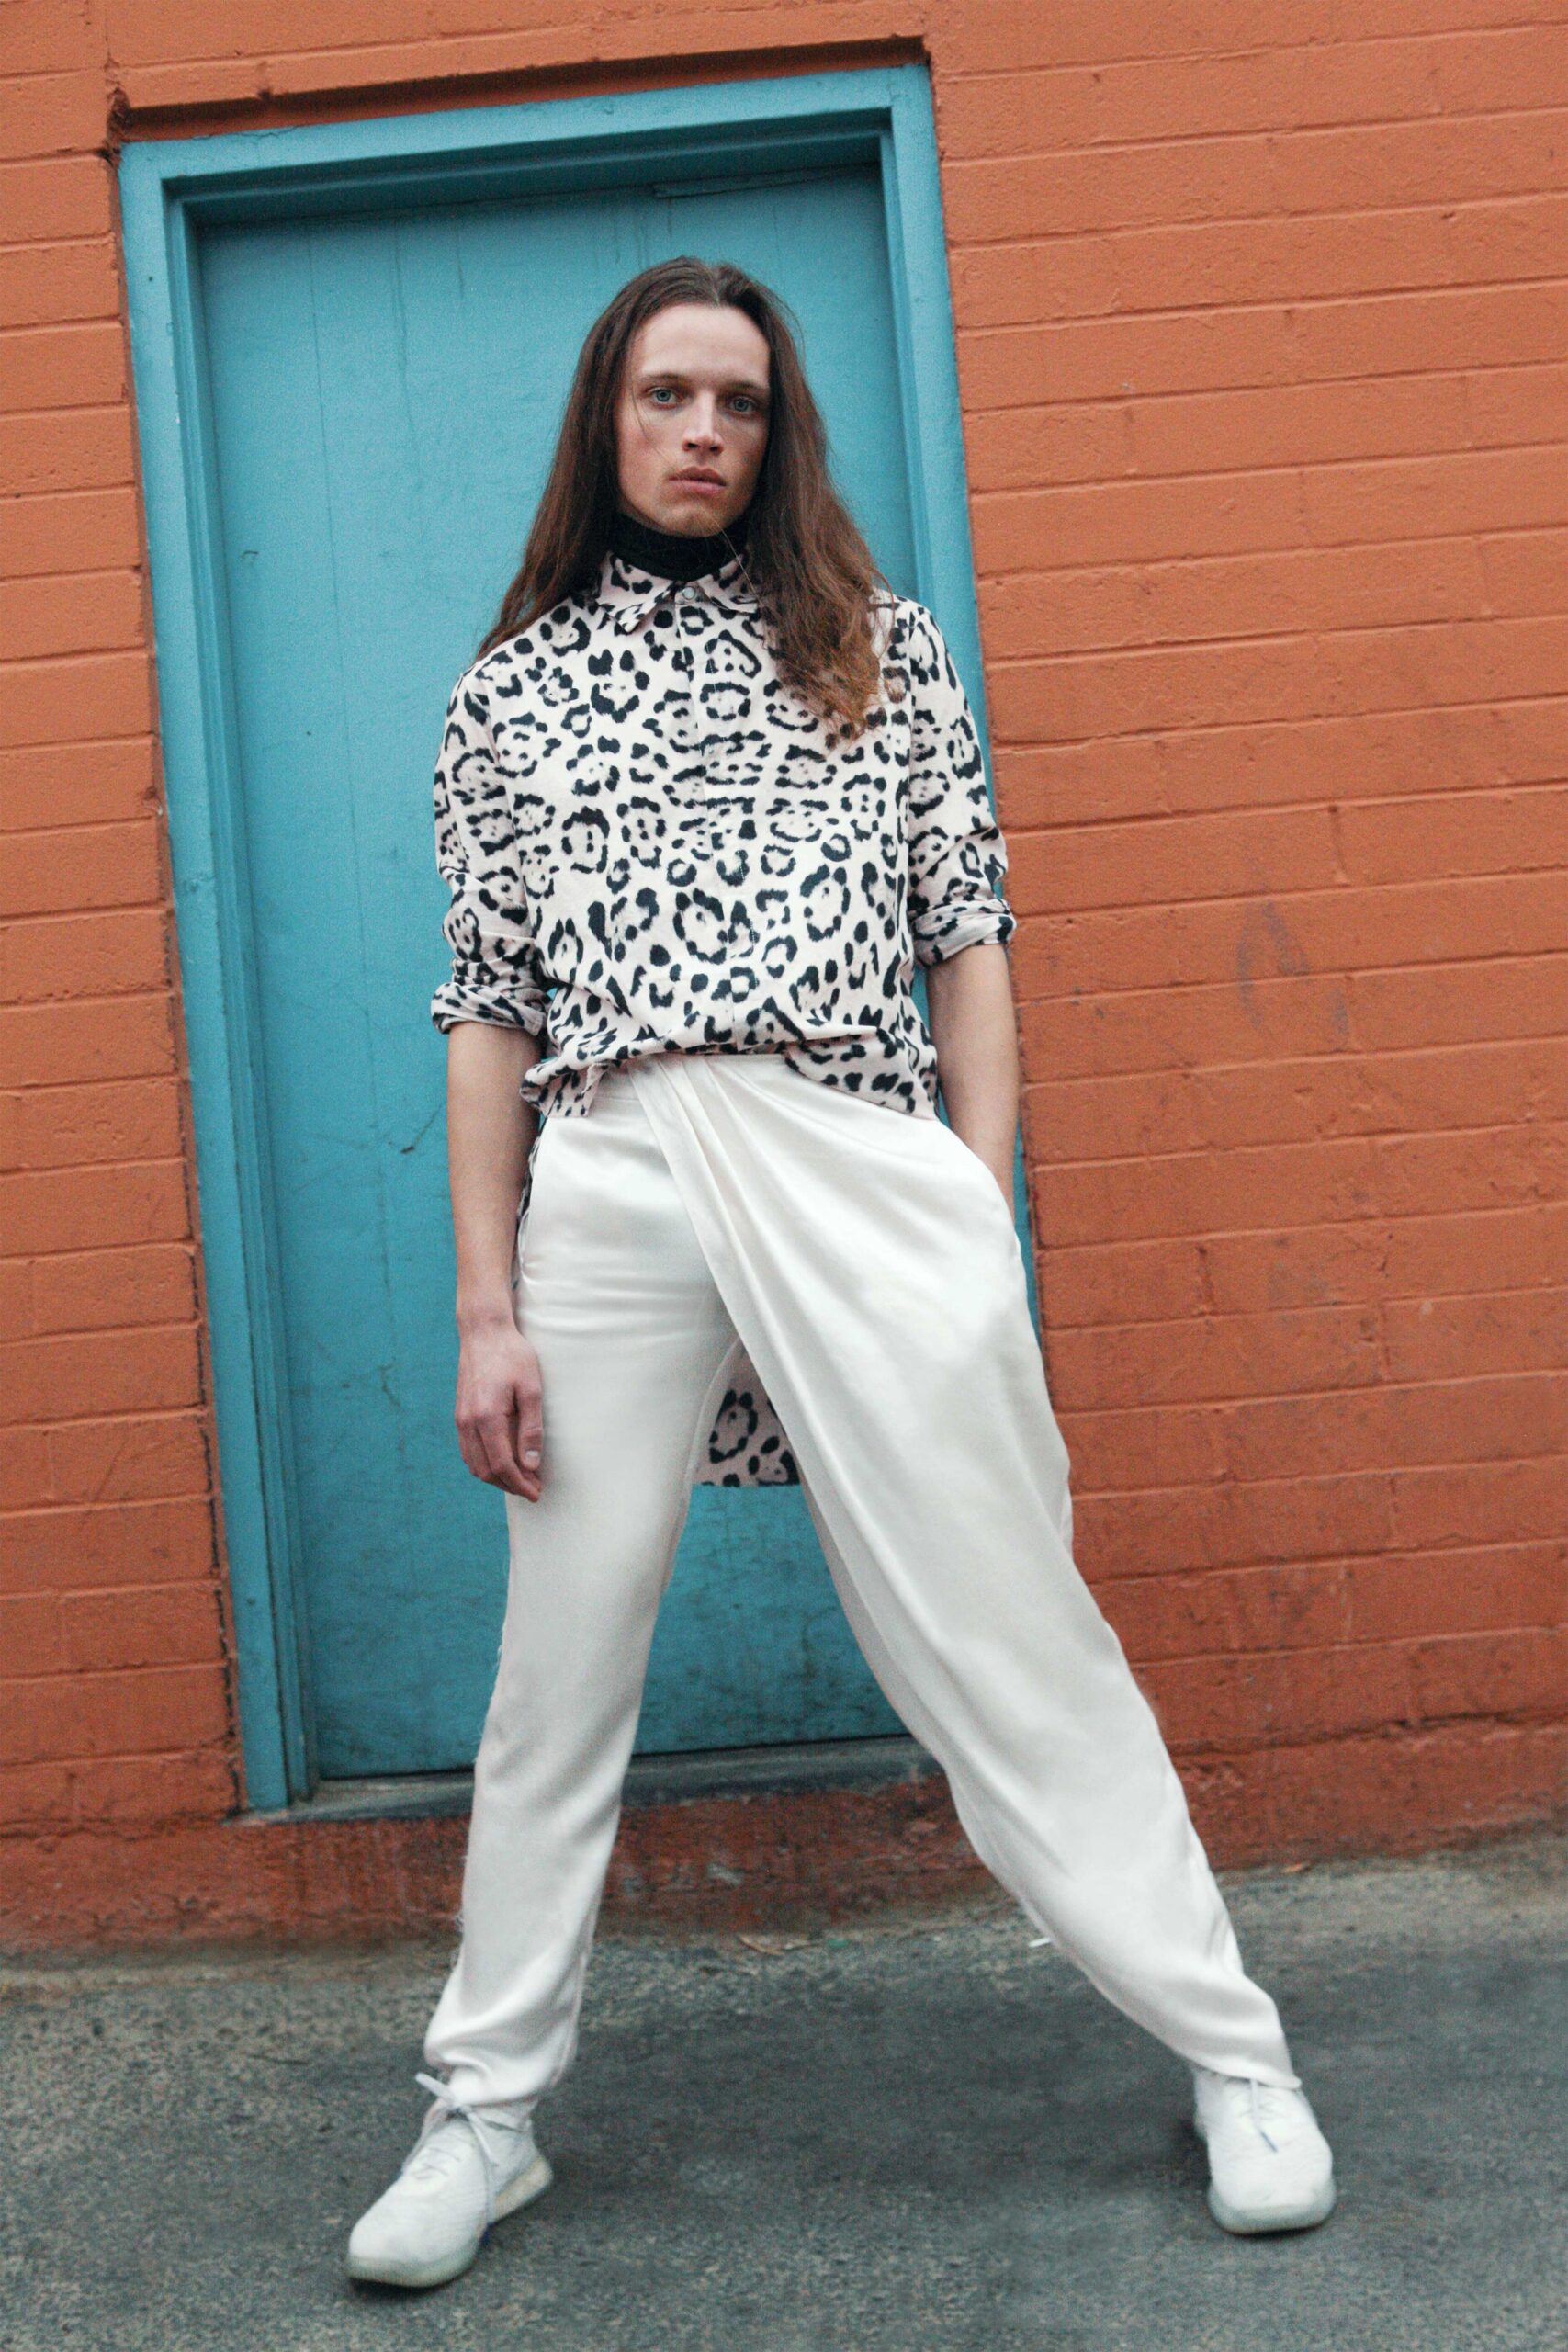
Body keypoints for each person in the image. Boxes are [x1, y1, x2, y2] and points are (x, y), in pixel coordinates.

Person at [346, 257, 1336, 2292]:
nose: (702, 430)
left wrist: (975, 1205)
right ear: (603, 423)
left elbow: (966, 932)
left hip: (852, 1159)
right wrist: (483, 1302)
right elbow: (486, 1011)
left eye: (737, 401)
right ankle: (485, 2114)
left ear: (775, 431)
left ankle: (1230, 2048)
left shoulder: (882, 653)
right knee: (559, 1673)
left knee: (1005, 1619)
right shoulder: (506, 694)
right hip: (611, 1173)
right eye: (664, 396)